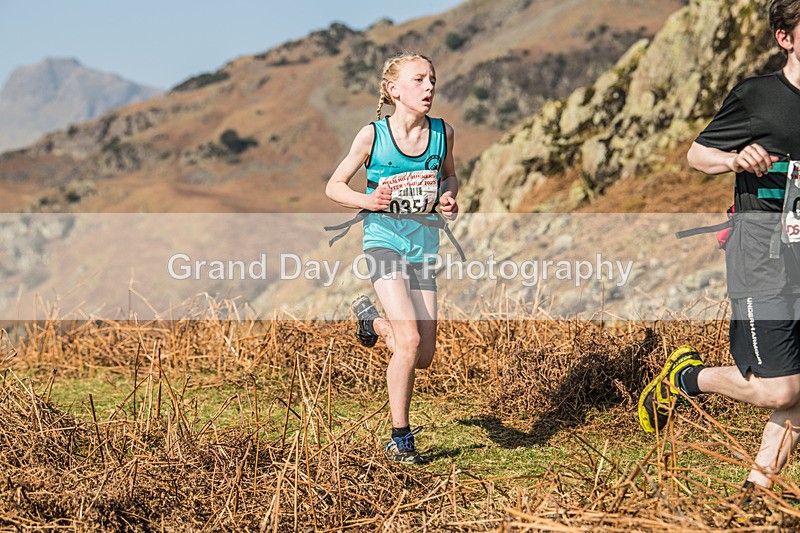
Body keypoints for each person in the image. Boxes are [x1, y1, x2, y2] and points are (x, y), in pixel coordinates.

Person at [639, 0, 800, 492]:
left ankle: (757, 493)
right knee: (781, 386)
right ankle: (685, 378)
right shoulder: (758, 97)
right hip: (761, 254)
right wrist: (733, 159)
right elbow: (697, 153)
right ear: (785, 38)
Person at [325, 52, 458, 464]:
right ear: (394, 89)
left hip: (424, 247)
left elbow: (449, 174)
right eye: (419, 80)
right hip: (383, 242)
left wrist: (450, 195)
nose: (429, 87)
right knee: (410, 339)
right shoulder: (372, 136)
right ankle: (400, 440)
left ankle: (372, 322)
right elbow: (334, 186)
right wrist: (368, 199)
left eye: (432, 79)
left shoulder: (443, 133)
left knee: (423, 355)